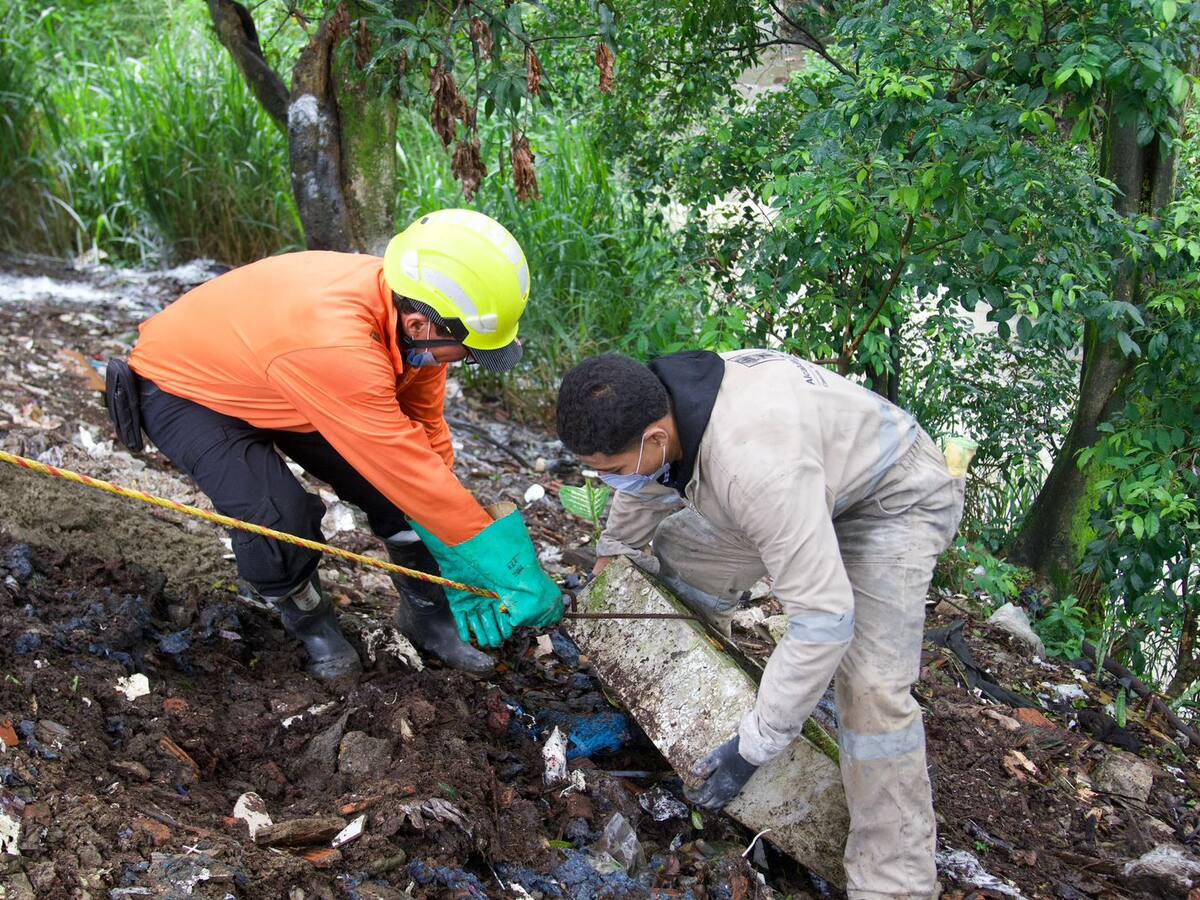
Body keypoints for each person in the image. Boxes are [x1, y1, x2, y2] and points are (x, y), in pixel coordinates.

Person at [555, 349, 964, 899]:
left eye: (608, 470)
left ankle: (894, 882)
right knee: (683, 554)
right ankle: (683, 709)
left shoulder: (754, 470)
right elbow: (644, 486)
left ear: (655, 438)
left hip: (889, 499)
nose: (608, 482)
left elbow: (823, 619)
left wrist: (756, 745)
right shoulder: (663, 401)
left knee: (871, 690)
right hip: (805, 482)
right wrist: (614, 552)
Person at [108, 209, 563, 681]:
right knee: (277, 517)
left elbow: (424, 436)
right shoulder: (339, 345)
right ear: (420, 325)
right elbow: (402, 465)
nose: (465, 360)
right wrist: (501, 563)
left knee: (402, 495)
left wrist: (457, 549)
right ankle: (312, 622)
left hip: (276, 375)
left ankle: (428, 617)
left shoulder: (419, 321)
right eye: (468, 352)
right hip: (186, 388)